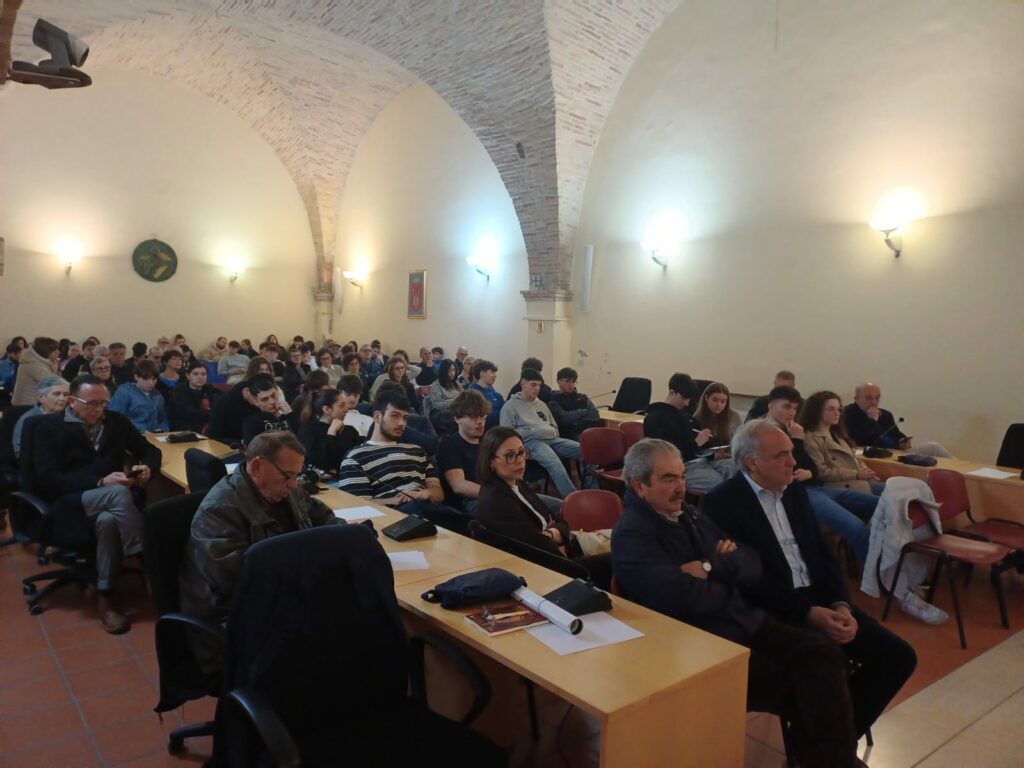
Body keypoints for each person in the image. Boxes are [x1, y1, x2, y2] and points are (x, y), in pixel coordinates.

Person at [612, 438, 868, 768]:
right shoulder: (633, 534)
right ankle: (831, 762)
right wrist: (726, 576)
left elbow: (750, 563)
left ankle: (823, 761)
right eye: (669, 479)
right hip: (702, 644)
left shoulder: (689, 514)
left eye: (682, 477)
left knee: (825, 655)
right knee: (809, 687)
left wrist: (710, 568)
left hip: (745, 623)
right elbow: (684, 598)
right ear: (639, 485)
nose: (680, 488)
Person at [703, 421, 917, 741]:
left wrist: (841, 603)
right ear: (752, 462)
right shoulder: (723, 503)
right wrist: (807, 613)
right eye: (781, 456)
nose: (793, 462)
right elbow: (747, 581)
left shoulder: (793, 492)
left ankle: (822, 746)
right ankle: (828, 750)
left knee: (898, 657)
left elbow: (822, 555)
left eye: (791, 453)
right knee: (829, 667)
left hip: (819, 599)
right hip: (773, 610)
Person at [178, 431, 342, 671]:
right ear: (257, 467)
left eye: (297, 475)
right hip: (232, 621)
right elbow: (240, 582)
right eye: (287, 476)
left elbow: (322, 515)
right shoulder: (218, 511)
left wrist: (344, 536)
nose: (294, 484)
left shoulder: (287, 490)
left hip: (280, 600)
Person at [29, 375, 162, 634]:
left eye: (103, 403)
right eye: (91, 403)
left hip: (111, 504)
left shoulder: (116, 422)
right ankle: (147, 562)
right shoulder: (48, 427)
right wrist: (99, 481)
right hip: (68, 501)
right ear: (72, 401)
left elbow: (150, 450)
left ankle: (106, 600)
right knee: (117, 494)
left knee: (108, 520)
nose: (99, 409)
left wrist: (147, 466)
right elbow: (46, 478)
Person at [476, 428, 610, 588]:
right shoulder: (496, 501)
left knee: (622, 540)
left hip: (563, 548)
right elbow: (541, 550)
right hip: (547, 570)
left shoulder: (516, 483)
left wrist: (551, 534)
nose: (520, 460)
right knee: (619, 558)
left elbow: (560, 521)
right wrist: (555, 537)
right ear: (490, 461)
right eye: (510, 456)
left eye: (521, 452)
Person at [763, 386, 878, 565]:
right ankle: (875, 575)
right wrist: (797, 441)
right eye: (787, 407)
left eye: (795, 408)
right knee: (856, 528)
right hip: (795, 492)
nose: (792, 413)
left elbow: (811, 468)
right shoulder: (765, 432)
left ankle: (889, 564)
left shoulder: (792, 429)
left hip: (813, 487)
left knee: (883, 505)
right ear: (771, 406)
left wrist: (809, 471)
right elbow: (784, 470)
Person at [336, 388, 447, 510]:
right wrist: (394, 501)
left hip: (429, 509)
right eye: (395, 416)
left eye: (404, 418)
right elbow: (356, 506)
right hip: (394, 515)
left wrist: (427, 493)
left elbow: (439, 494)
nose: (401, 423)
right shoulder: (356, 457)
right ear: (377, 417)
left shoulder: (417, 451)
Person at [644, 372, 735, 493]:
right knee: (721, 486)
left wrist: (713, 453)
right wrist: (696, 442)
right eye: (684, 398)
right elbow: (668, 455)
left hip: (700, 461)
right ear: (672, 392)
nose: (687, 403)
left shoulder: (686, 417)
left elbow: (697, 449)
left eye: (689, 399)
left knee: (737, 470)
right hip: (680, 467)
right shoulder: (655, 418)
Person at [500, 368, 580, 497]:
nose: (537, 388)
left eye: (539, 385)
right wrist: (536, 432)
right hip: (531, 443)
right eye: (533, 385)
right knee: (554, 463)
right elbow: (507, 435)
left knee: (585, 450)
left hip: (552, 439)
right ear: (522, 384)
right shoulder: (510, 406)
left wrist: (540, 431)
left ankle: (593, 487)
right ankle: (573, 498)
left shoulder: (541, 404)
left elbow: (555, 429)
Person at [799, 391, 883, 495]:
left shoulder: (838, 434)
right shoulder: (811, 439)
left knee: (893, 491)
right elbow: (820, 472)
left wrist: (868, 472)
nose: (837, 413)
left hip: (857, 481)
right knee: (886, 498)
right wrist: (856, 474)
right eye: (831, 409)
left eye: (839, 409)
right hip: (838, 487)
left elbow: (854, 459)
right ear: (817, 411)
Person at [844, 382, 953, 457]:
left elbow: (897, 435)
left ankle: (961, 473)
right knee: (933, 447)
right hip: (877, 457)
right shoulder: (847, 414)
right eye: (869, 398)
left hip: (897, 454)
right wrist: (871, 420)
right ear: (856, 398)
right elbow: (854, 440)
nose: (874, 402)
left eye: (877, 398)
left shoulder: (885, 414)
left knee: (933, 448)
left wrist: (903, 441)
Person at [436, 390, 491, 512]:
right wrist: (497, 495)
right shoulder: (448, 444)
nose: (480, 422)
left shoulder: (488, 442)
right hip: (465, 503)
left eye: (482, 417)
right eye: (473, 417)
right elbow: (459, 486)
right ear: (457, 418)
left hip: (490, 496)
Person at [297, 388, 363, 474]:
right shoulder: (308, 431)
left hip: (347, 475)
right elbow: (319, 464)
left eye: (346, 405)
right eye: (342, 406)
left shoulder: (350, 430)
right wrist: (331, 434)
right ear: (327, 409)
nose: (347, 410)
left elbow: (356, 460)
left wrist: (335, 471)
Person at [12, 375, 69, 458]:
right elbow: (20, 451)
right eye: (56, 394)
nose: (62, 398)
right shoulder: (29, 419)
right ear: (41, 397)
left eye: (66, 394)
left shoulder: (70, 417)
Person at [108, 359, 169, 433]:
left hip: (154, 435)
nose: (150, 383)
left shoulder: (158, 396)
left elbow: (163, 419)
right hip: (131, 435)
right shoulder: (124, 392)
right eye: (145, 379)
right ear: (136, 377)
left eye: (154, 379)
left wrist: (162, 429)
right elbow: (115, 418)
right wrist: (141, 430)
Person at [241, 374, 299, 447]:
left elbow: (302, 438)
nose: (272, 402)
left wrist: (290, 415)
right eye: (265, 399)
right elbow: (254, 448)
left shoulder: (289, 415)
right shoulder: (251, 422)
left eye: (273, 396)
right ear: (256, 401)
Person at [549, 367, 601, 441]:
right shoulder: (553, 399)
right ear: (559, 381)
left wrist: (574, 420)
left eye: (573, 381)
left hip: (587, 432)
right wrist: (583, 412)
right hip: (568, 436)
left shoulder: (583, 398)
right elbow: (564, 418)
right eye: (567, 381)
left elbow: (595, 414)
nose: (571, 384)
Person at [169, 364, 219, 432]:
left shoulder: (210, 390)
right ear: (188, 376)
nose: (200, 377)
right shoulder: (179, 392)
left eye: (203, 374)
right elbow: (191, 414)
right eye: (196, 374)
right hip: (185, 429)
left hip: (208, 425)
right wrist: (214, 414)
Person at [12, 336, 59, 406]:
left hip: (25, 404)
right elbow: (54, 385)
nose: (58, 352)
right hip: (27, 405)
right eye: (54, 350)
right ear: (46, 351)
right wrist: (54, 371)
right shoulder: (35, 365)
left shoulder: (33, 360)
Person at [424, 359, 461, 431]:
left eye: (453, 370)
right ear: (444, 372)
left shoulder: (456, 383)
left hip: (454, 410)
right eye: (449, 371)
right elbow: (437, 405)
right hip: (439, 413)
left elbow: (461, 398)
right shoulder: (436, 384)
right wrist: (455, 402)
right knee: (457, 417)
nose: (452, 373)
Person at [467, 359, 504, 429]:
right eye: (492, 372)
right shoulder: (471, 394)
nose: (495, 376)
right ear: (482, 373)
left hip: (498, 429)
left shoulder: (496, 394)